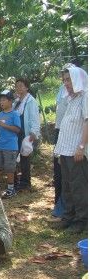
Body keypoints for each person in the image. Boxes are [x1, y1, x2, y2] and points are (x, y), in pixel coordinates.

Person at [52, 66, 88, 233]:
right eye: (64, 80)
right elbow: (65, 126)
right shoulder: (71, 99)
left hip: (77, 151)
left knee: (78, 186)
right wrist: (59, 151)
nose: (66, 83)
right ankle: (68, 217)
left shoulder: (85, 97)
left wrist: (81, 147)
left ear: (77, 80)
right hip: (65, 150)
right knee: (66, 185)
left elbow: (88, 122)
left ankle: (81, 220)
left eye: (69, 80)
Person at [0, 90, 21, 198]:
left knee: (10, 168)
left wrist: (5, 126)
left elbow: (17, 129)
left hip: (10, 146)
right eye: (0, 100)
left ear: (10, 101)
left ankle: (10, 190)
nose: (1, 102)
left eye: (4, 100)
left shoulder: (15, 114)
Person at [13, 79, 41, 191]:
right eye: (17, 86)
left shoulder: (31, 101)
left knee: (25, 157)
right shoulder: (16, 101)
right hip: (15, 133)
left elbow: (35, 118)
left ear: (26, 88)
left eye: (21, 86)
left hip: (25, 133)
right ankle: (15, 181)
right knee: (14, 156)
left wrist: (34, 133)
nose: (18, 88)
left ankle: (25, 182)